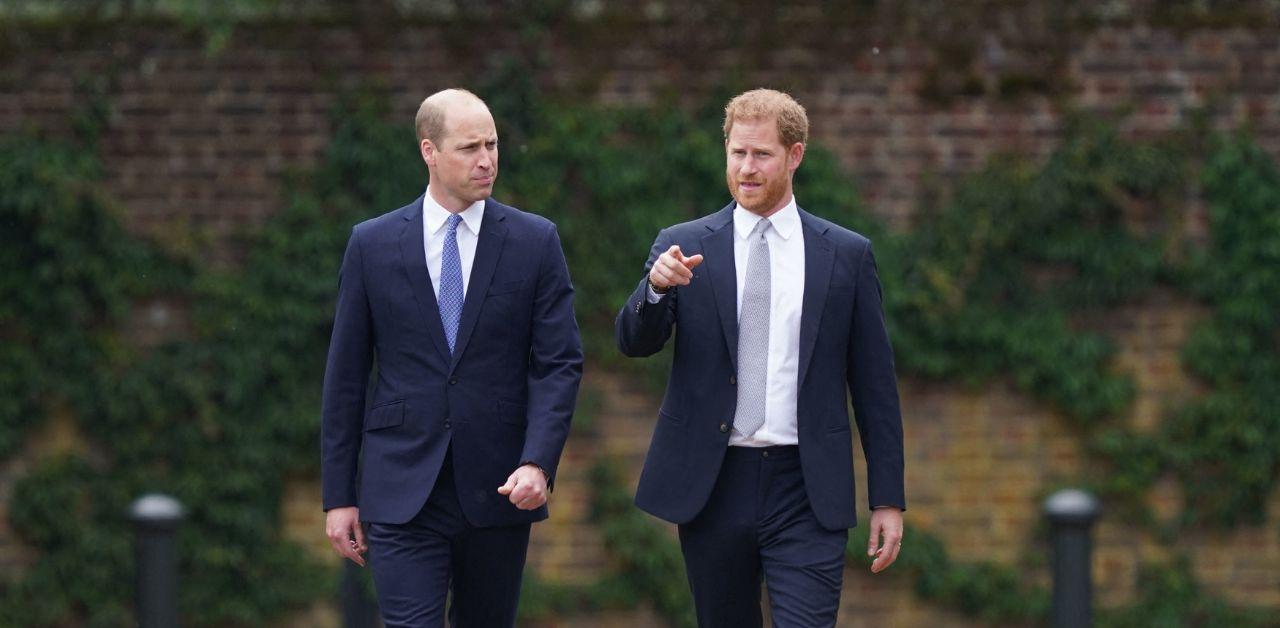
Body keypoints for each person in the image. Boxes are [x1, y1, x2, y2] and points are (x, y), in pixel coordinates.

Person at [615, 88, 905, 627]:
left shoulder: (844, 255)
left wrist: (887, 498)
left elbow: (875, 386)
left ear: (794, 156)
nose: (746, 168)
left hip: (807, 485)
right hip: (714, 481)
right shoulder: (681, 245)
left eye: (761, 155)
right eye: (737, 153)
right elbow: (635, 342)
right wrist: (653, 290)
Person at [320, 88, 583, 627]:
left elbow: (559, 362)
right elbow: (346, 377)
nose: (486, 160)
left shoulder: (535, 242)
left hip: (499, 486)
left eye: (492, 144)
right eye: (469, 148)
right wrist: (338, 496)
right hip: (400, 487)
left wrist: (538, 461)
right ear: (429, 152)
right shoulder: (371, 245)